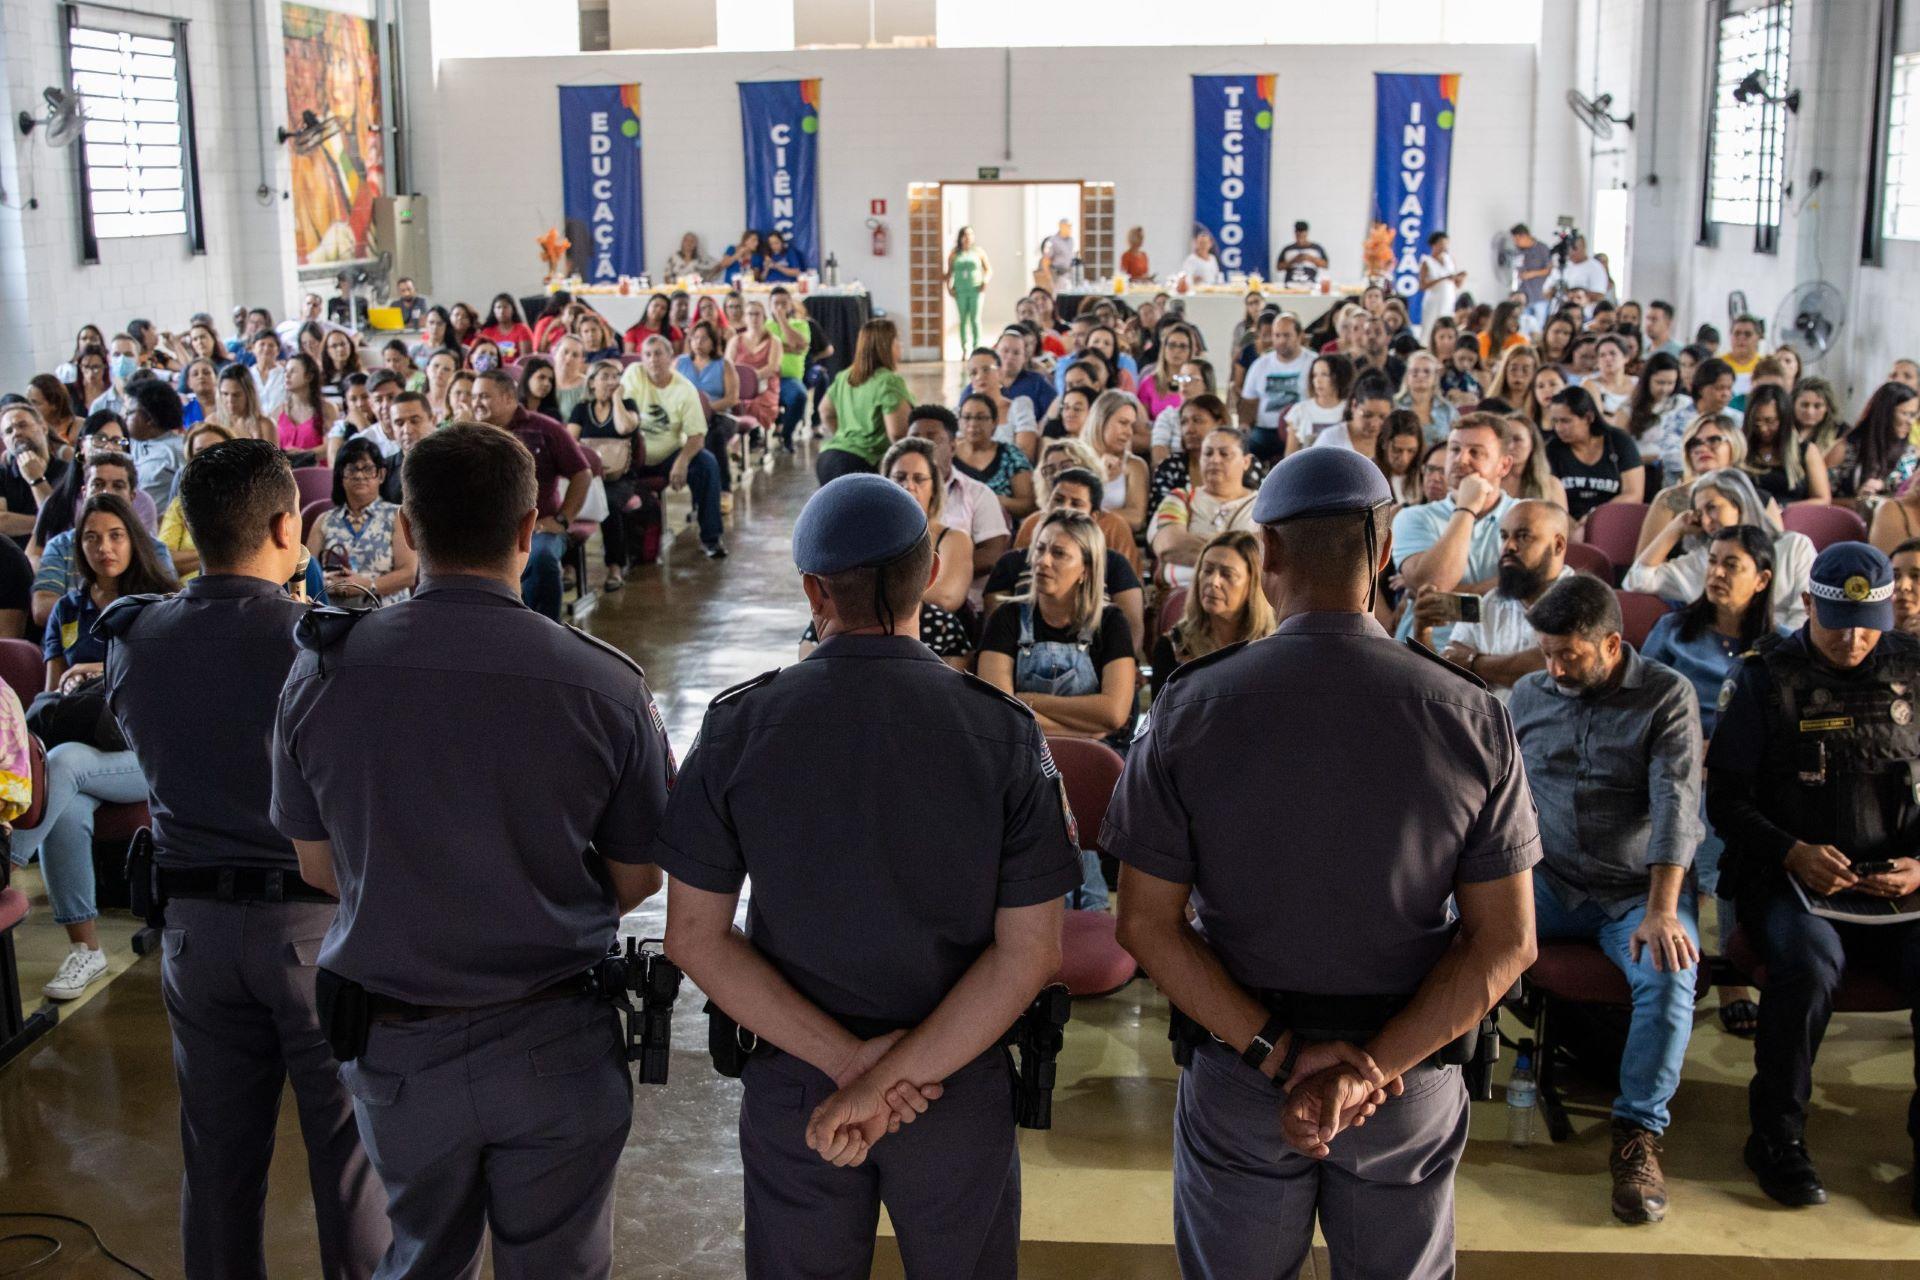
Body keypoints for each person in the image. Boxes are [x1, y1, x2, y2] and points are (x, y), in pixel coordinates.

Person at [1109, 445, 1539, 1278]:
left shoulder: (1192, 706)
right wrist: (1370, 1069)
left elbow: (1142, 923)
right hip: (1402, 1079)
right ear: (1383, 555)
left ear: (1266, 552)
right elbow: (1506, 942)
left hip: (1243, 1070)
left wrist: (1277, 1054)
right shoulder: (1470, 713)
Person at [271, 424, 671, 1277]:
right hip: (555, 1040)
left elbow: (315, 867)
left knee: (420, 1258)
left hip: (398, 1045)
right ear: (530, 529)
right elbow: (639, 875)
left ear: (407, 529)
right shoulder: (605, 684)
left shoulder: (322, 674)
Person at [652, 473, 1075, 1275]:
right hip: (952, 1082)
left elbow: (694, 938)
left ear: (815, 591)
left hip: (799, 1086)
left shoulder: (742, 725)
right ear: (928, 574)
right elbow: (1032, 954)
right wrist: (892, 1077)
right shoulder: (1005, 734)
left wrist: (852, 1075)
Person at [101, 439, 389, 1277]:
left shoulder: (133, 637)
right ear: (285, 525)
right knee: (348, 1169)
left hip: (191, 933)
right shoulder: (324, 645)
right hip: (312, 930)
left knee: (218, 1170)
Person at [1705, 542, 1920, 1211]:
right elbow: (1726, 802)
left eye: (1867, 623)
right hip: (1791, 877)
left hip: (1896, 884)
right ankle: (1776, 1137)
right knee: (1810, 965)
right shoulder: (1766, 676)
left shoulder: (1913, 667)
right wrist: (1791, 850)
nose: (1853, 639)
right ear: (1806, 605)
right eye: (1836, 622)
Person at [1510, 575, 1703, 1223]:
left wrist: (1662, 907)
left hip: (1635, 893)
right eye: (1545, 653)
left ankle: (1638, 1133)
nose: (1554, 668)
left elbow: (1678, 804)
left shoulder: (1666, 696)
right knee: (1434, 926)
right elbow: (1500, 795)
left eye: (1569, 655)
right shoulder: (1530, 696)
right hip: (1550, 880)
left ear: (1613, 644)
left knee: (1670, 971)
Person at [16, 492, 178, 1000]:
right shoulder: (69, 608)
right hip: (86, 748)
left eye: (115, 535)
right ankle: (85, 950)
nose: (103, 547)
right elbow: (49, 693)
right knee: (65, 796)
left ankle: (7, 856)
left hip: (150, 751)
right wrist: (68, 684)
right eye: (91, 538)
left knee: (63, 768)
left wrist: (103, 669)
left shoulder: (161, 602)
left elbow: (171, 692)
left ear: (135, 539)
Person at [978, 508, 1136, 743]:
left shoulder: (1111, 622)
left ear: (1086, 569)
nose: (1043, 561)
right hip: (1023, 750)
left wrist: (1025, 699)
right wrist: (1082, 733)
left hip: (1093, 759)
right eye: (1040, 549)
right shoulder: (1007, 617)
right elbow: (1000, 710)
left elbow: (1113, 713)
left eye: (1059, 553)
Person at [1411, 499, 1572, 699]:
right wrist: (1423, 633)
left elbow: (1547, 667)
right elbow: (1448, 677)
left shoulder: (1582, 598)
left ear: (1558, 545)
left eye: (1523, 536)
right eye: (1504, 536)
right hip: (1485, 726)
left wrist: (1472, 662)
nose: (1508, 546)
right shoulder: (1491, 601)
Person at [469, 368, 596, 615]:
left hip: (537, 528)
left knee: (541, 558)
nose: (476, 404)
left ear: (508, 397)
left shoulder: (545, 429)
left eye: (484, 396)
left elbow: (583, 473)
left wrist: (563, 519)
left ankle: (546, 632)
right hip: (485, 528)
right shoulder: (469, 433)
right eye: (474, 397)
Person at [1628, 468, 1814, 629]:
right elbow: (1637, 580)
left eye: (1712, 508)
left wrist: (1776, 650)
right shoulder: (1705, 560)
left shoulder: (1794, 547)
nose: (1706, 521)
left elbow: (1805, 613)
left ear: (1739, 504)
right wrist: (1675, 529)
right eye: (1700, 514)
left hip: (1783, 654)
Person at [1391, 413, 1520, 646]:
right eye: (1455, 449)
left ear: (1504, 465)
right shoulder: (1412, 518)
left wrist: (1454, 595)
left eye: (1476, 452)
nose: (1461, 460)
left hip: (1503, 648)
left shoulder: (1526, 515)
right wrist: (1466, 509)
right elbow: (1432, 584)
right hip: (1430, 651)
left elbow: (1535, 584)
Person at [618, 336, 728, 559]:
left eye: (658, 353)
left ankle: (711, 538)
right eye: (647, 354)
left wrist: (682, 462)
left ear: (670, 357)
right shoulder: (633, 374)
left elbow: (697, 435)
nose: (653, 360)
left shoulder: (684, 388)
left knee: (707, 464)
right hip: (633, 455)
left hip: (668, 455)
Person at [1149, 528, 1274, 698]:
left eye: (1227, 574)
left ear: (1252, 585)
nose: (1213, 582)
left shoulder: (1272, 650)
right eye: (1207, 570)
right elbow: (1161, 720)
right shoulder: (1172, 646)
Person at [307, 437, 415, 606]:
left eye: (367, 469)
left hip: (386, 612)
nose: (359, 475)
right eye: (351, 469)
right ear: (340, 476)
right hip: (334, 613)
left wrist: (367, 586)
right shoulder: (324, 521)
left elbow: (409, 574)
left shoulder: (397, 516)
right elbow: (307, 571)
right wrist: (325, 581)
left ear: (381, 474)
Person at [1150, 426, 1258, 588]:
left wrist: (1192, 543)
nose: (1214, 460)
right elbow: (1169, 546)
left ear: (1246, 462)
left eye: (1224, 454)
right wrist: (1239, 554)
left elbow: (1261, 556)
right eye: (1208, 453)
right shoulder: (1180, 498)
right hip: (1180, 596)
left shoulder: (1262, 505)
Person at [817, 318, 914, 485]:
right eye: (897, 339)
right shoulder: (888, 381)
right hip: (859, 464)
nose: (900, 345)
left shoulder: (845, 376)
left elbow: (825, 411)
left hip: (828, 458)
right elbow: (897, 433)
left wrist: (847, 436)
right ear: (886, 345)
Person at [1545, 384, 1644, 525]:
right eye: (1555, 421)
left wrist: (1596, 516)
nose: (1559, 428)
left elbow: (1634, 494)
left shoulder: (1619, 441)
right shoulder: (1552, 449)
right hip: (1567, 525)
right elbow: (1551, 502)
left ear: (1588, 418)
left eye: (1565, 421)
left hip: (1614, 521)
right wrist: (1574, 528)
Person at [1743, 383, 1830, 506]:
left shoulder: (1806, 451)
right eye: (1757, 422)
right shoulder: (1743, 450)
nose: (1763, 428)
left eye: (1770, 421)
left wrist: (1782, 508)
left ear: (1784, 419)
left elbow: (1822, 499)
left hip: (1794, 518)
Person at [953, 391, 1035, 520]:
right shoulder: (948, 455)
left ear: (994, 422)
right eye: (967, 417)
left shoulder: (1012, 455)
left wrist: (992, 500)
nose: (973, 423)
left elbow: (1028, 505)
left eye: (981, 418)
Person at [1081, 389, 1151, 535]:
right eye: (1123, 423)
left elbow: (1137, 519)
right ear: (1101, 421)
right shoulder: (1073, 457)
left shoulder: (1135, 465)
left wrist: (1086, 513)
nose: (1129, 432)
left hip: (1114, 540)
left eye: (1131, 425)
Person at [1835, 381, 1920, 500]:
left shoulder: (1911, 453)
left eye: (1914, 414)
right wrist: (1857, 501)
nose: (1911, 422)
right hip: (1848, 516)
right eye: (1905, 414)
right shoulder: (1846, 448)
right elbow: (1821, 499)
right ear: (1885, 414)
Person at [0, 401, 69, 543]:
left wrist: (36, 479)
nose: (16, 433)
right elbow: (1, 522)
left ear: (43, 427)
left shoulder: (67, 471)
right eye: (9, 431)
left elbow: (60, 521)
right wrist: (44, 523)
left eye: (22, 425)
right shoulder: (2, 473)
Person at [125, 377, 190, 515]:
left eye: (130, 412)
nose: (125, 417)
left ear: (149, 419)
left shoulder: (179, 449)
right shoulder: (130, 444)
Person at [1501, 414, 1571, 509]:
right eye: (1505, 439)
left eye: (1517, 439)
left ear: (1532, 444)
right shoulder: (1489, 482)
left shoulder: (1551, 486)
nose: (1510, 446)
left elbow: (1562, 523)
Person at [945, 226, 991, 355]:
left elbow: (988, 270)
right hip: (960, 290)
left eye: (970, 234)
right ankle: (964, 348)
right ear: (960, 237)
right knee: (963, 319)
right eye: (965, 235)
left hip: (975, 289)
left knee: (975, 319)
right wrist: (949, 287)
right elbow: (949, 273)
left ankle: (976, 346)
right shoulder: (954, 254)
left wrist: (985, 281)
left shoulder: (978, 252)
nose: (967, 238)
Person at [1418, 232, 1465, 336]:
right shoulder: (1427, 261)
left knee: (1446, 325)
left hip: (1448, 299)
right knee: (1430, 328)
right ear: (1433, 245)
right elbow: (1422, 285)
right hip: (1433, 300)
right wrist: (1442, 279)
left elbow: (1457, 284)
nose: (1443, 246)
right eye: (1441, 243)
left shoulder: (1450, 260)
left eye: (1445, 243)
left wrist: (1460, 278)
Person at [477, 292, 535, 360]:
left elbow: (525, 360)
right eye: (498, 307)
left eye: (505, 307)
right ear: (493, 311)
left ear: (513, 310)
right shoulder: (487, 332)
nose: (502, 311)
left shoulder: (522, 329)